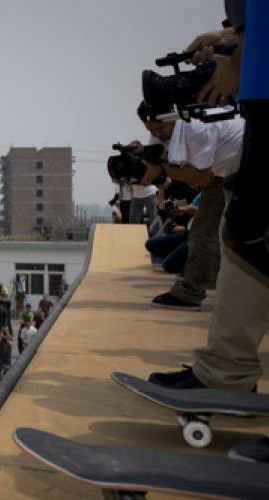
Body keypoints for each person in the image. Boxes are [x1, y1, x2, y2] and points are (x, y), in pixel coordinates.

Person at [147, 1, 269, 463]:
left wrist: (237, 58)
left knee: (247, 229)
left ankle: (227, 371)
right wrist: (232, 45)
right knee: (246, 228)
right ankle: (227, 371)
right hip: (260, 90)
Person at [135, 98, 244, 311]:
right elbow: (154, 161)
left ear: (172, 117)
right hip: (225, 169)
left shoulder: (196, 129)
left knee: (204, 231)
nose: (157, 134)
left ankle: (189, 294)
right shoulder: (162, 130)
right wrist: (139, 156)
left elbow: (201, 180)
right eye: (151, 130)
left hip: (238, 164)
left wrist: (162, 171)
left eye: (160, 128)